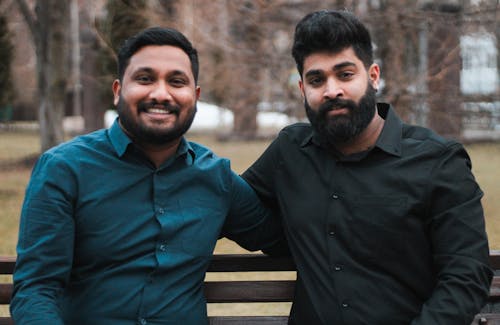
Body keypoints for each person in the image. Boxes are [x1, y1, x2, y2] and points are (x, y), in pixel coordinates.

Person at [10, 27, 285, 325]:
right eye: (145, 79)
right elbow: (36, 290)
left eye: (176, 82)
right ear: (118, 91)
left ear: (194, 96)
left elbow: (283, 238)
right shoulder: (64, 169)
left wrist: (299, 153)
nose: (160, 93)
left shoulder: (216, 177)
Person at [242, 9, 493, 324]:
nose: (332, 90)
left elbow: (466, 276)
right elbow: (234, 207)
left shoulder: (438, 162)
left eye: (345, 74)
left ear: (373, 76)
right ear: (302, 90)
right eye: (317, 79)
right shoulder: (290, 151)